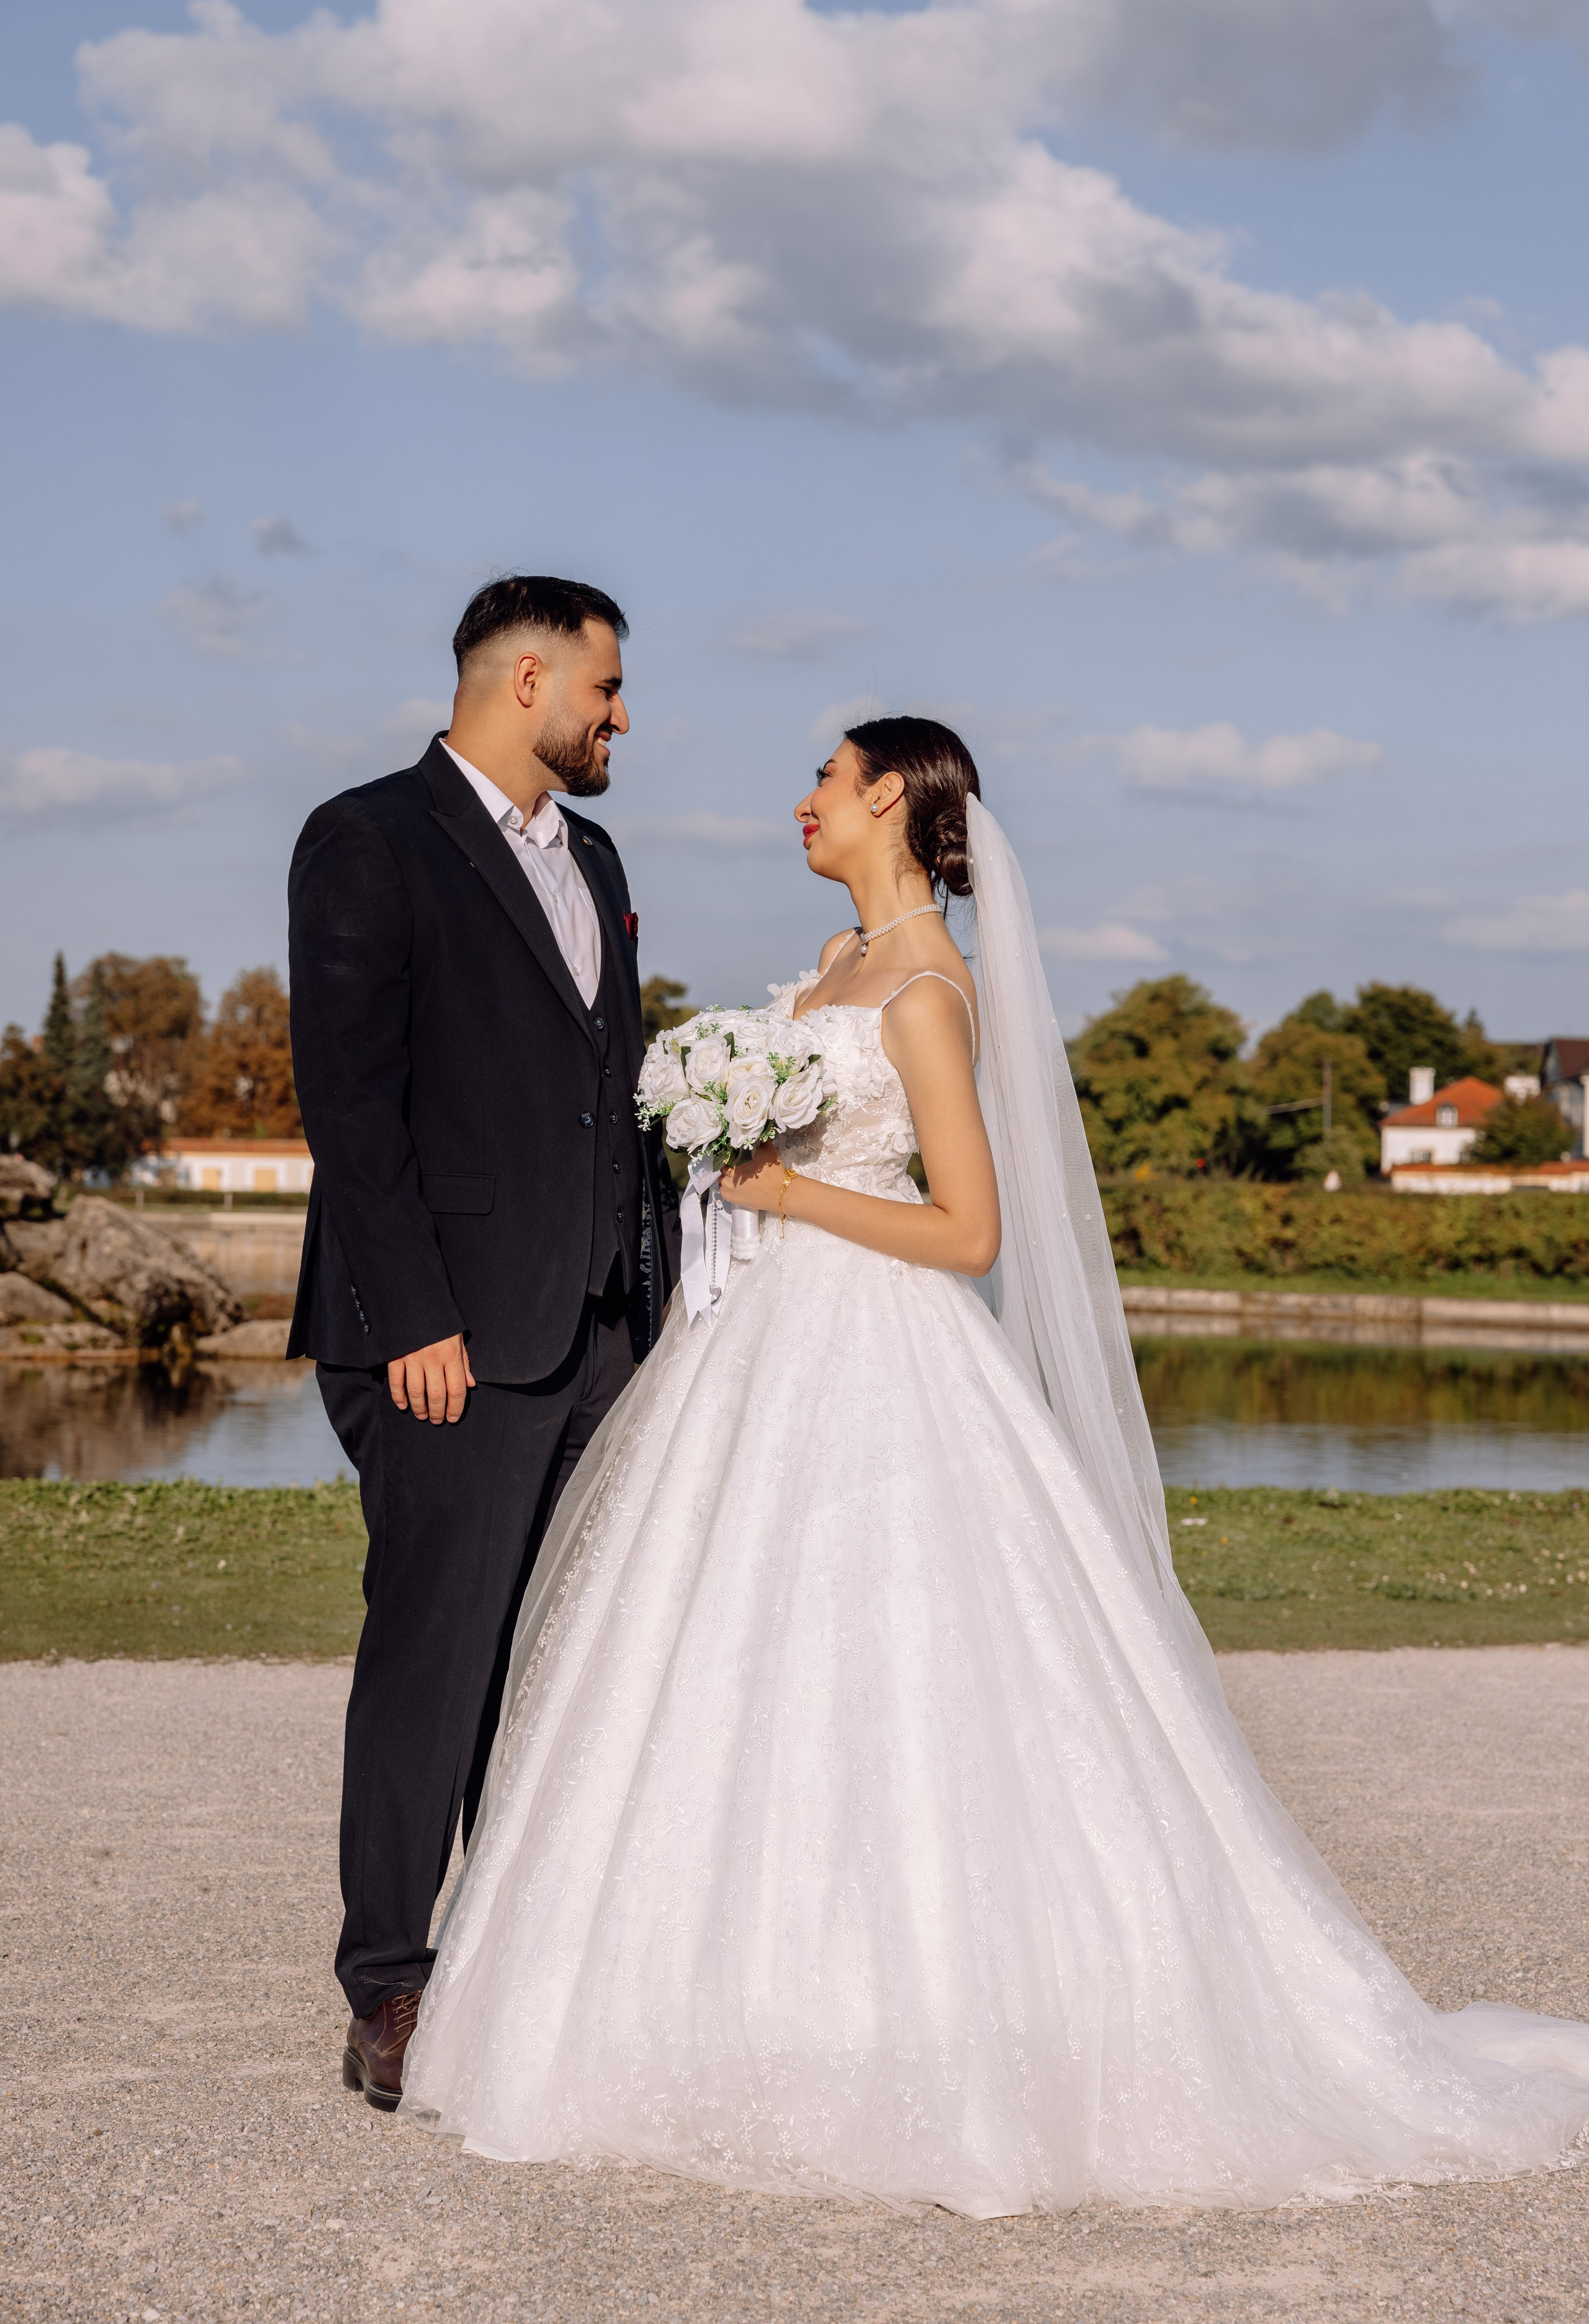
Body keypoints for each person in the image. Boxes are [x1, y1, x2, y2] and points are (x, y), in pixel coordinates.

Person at [397, 716, 1589, 2214]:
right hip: (756, 1341)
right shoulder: (825, 971)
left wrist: (781, 1190)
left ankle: (934, 2010)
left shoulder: (924, 989)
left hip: (874, 1351)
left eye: (821, 780)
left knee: (902, 1668)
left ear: (888, 795)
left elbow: (968, 1232)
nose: (801, 802)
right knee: (722, 1662)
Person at [287, 574, 677, 2110]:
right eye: (607, 688)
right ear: (526, 682)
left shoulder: (595, 854)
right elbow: (350, 1104)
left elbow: (608, 1089)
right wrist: (413, 1320)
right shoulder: (368, 836)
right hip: (443, 1339)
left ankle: (522, 1964)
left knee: (559, 1670)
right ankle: (389, 1978)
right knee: (434, 1665)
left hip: (593, 1338)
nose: (620, 717)